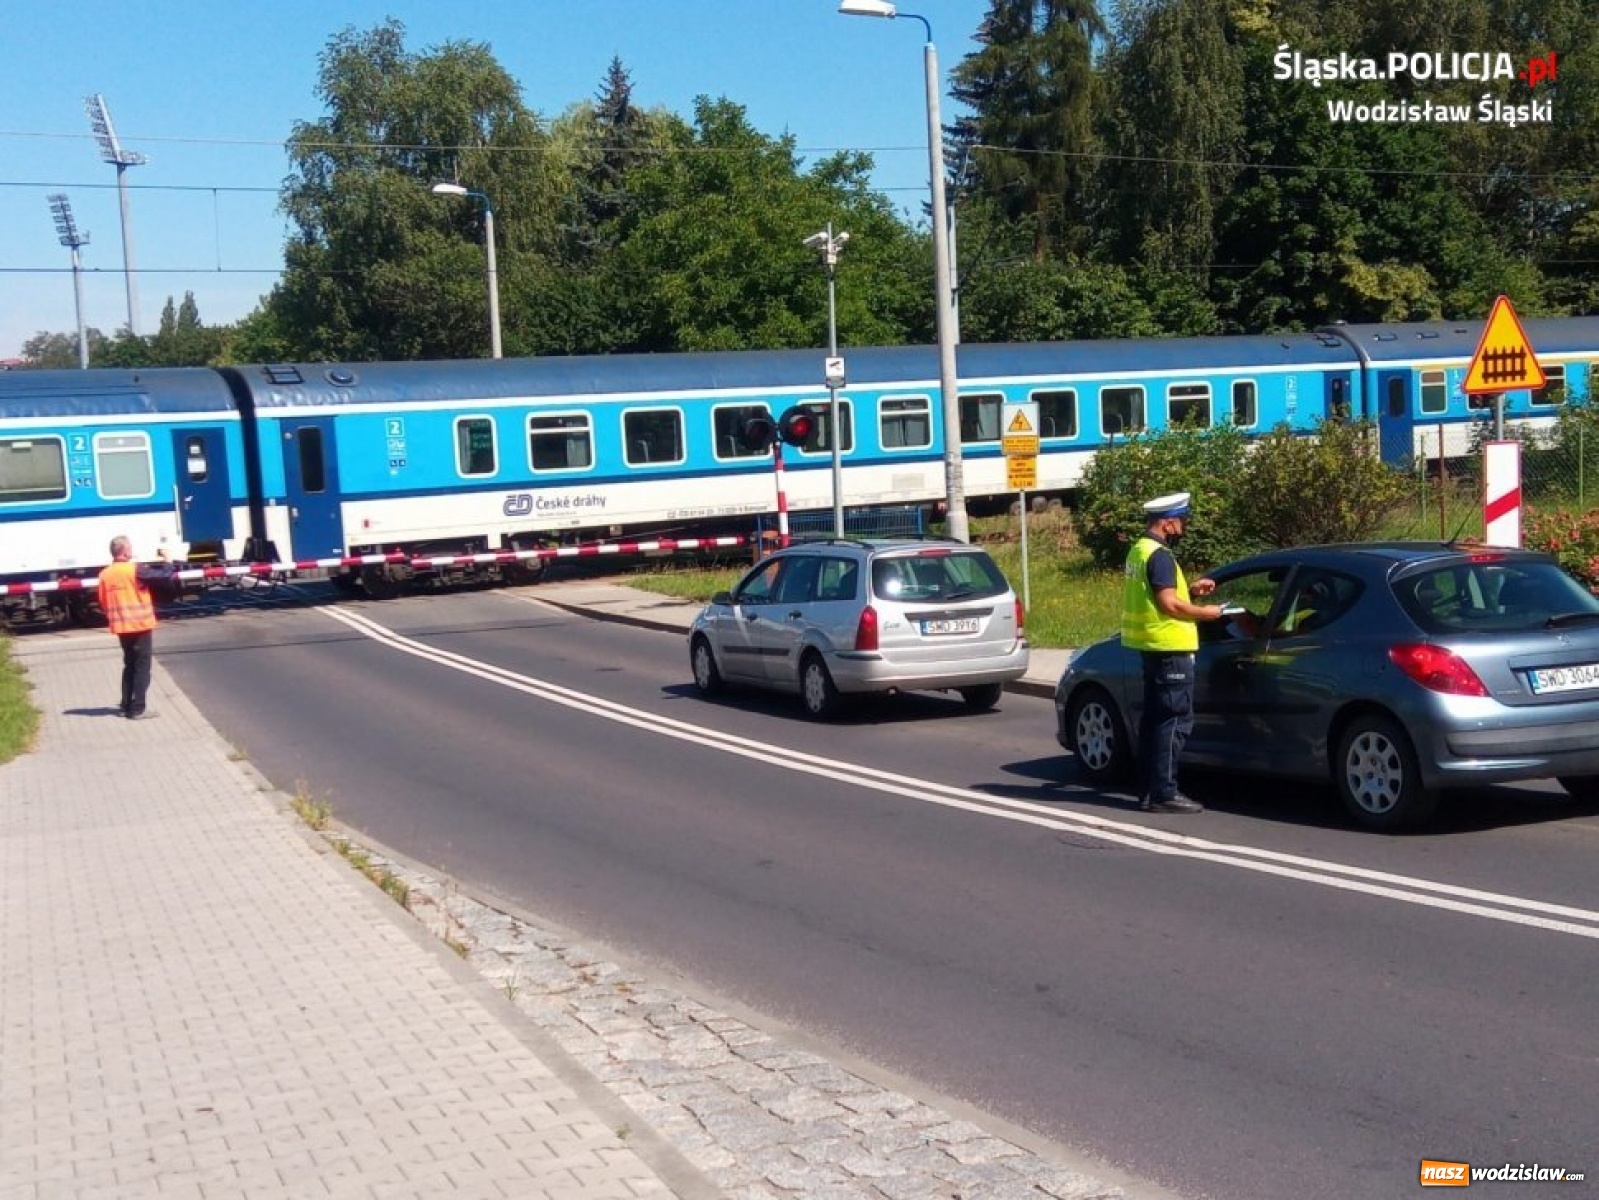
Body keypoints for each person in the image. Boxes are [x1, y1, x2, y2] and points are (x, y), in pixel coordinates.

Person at [1122, 492, 1225, 814]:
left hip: (1152, 647)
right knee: (1174, 721)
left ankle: (1148, 791)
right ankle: (1164, 793)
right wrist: (1207, 613)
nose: (1184, 525)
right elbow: (1169, 604)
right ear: (1167, 523)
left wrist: (1191, 591)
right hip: (1170, 648)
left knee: (1155, 721)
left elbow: (1159, 594)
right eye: (1181, 520)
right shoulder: (1161, 555)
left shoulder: (1139, 549)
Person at [97, 536, 175, 720]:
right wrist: (168, 560)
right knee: (142, 666)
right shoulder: (134, 570)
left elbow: (102, 601)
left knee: (129, 664)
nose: (132, 550)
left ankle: (126, 704)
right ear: (125, 551)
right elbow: (163, 576)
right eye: (130, 547)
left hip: (121, 626)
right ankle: (138, 708)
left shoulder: (105, 574)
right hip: (139, 625)